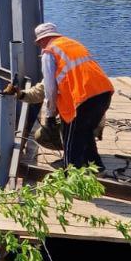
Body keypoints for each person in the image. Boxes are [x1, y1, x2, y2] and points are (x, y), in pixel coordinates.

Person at [14, 21, 114, 171]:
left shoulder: (49, 53)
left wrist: (49, 116)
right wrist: (21, 94)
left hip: (83, 99)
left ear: (42, 40)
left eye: (39, 43)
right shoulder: (72, 45)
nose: (40, 46)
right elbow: (47, 86)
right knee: (85, 131)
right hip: (104, 93)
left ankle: (71, 176)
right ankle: (97, 167)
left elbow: (50, 89)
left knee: (70, 139)